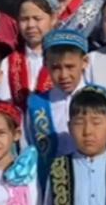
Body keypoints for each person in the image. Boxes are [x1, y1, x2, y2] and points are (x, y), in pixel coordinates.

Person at [25, 29, 88, 185]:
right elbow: (28, 149)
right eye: (56, 68)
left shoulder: (101, 99)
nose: (64, 75)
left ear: (84, 62)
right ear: (45, 65)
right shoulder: (36, 104)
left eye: (70, 66)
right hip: (50, 183)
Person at [0, 0, 56, 111]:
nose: (30, 25)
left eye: (37, 19)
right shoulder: (8, 63)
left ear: (53, 19)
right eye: (24, 19)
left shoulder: (62, 60)